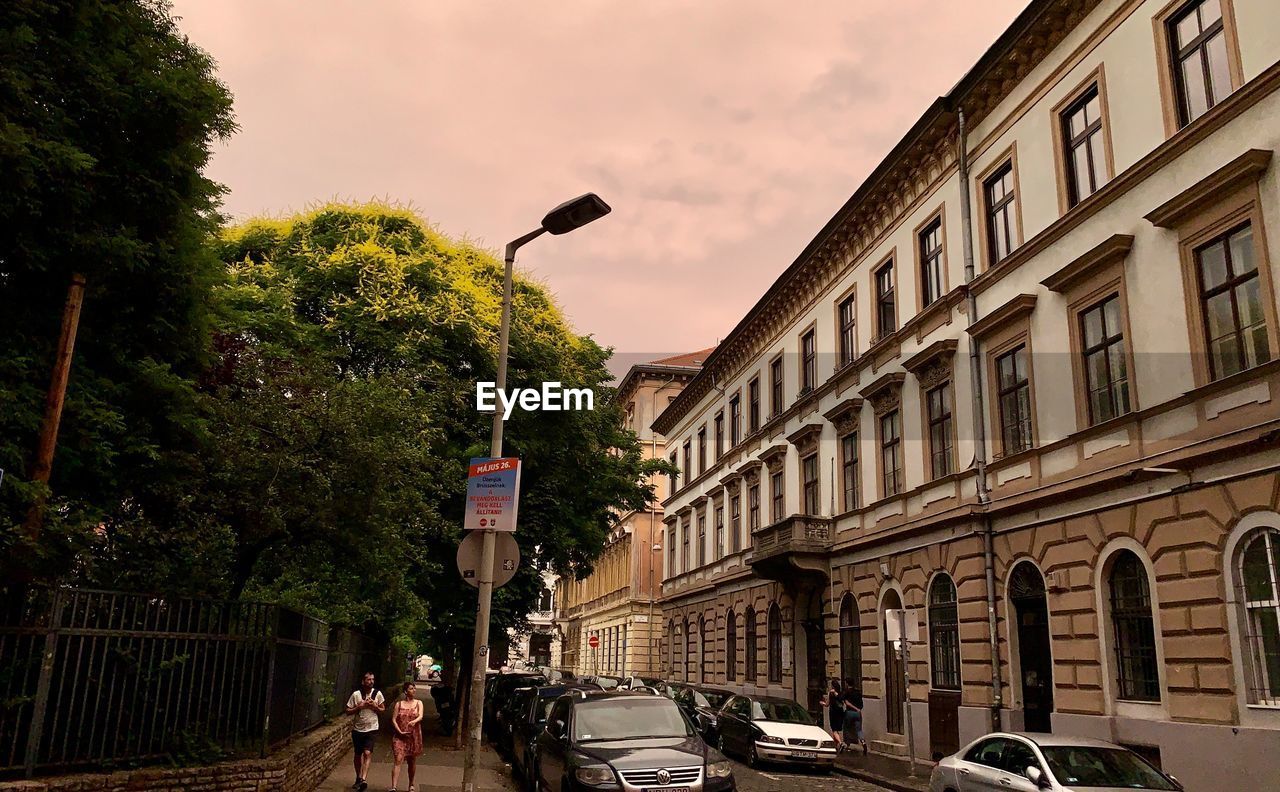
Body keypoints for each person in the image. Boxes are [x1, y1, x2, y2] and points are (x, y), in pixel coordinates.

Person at [344, 671, 385, 791]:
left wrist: (375, 706)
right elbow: (347, 710)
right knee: (358, 754)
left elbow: (383, 710)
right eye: (368, 679)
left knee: (367, 753)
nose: (371, 681)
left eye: (373, 679)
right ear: (363, 681)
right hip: (358, 729)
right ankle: (358, 777)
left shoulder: (377, 694)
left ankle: (363, 779)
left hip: (372, 728)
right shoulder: (356, 694)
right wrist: (359, 707)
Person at [390, 682, 424, 792]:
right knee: (398, 759)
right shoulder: (399, 704)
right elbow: (394, 719)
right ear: (405, 691)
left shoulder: (419, 703)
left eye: (414, 688)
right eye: (411, 688)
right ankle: (394, 787)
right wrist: (399, 730)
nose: (414, 690)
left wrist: (414, 721)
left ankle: (411, 784)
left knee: (411, 761)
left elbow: (421, 716)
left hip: (413, 736)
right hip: (399, 736)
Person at [841, 678, 867, 755]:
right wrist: (858, 709)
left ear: (847, 684)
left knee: (846, 728)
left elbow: (845, 702)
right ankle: (863, 742)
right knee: (859, 730)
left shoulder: (847, 692)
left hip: (849, 712)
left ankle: (846, 744)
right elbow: (861, 704)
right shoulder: (858, 692)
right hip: (858, 713)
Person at [819, 678, 845, 751]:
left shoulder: (831, 693)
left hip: (833, 712)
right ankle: (836, 746)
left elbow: (827, 704)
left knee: (834, 729)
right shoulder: (840, 693)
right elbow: (842, 702)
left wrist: (822, 703)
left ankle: (840, 743)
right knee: (837, 729)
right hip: (840, 712)